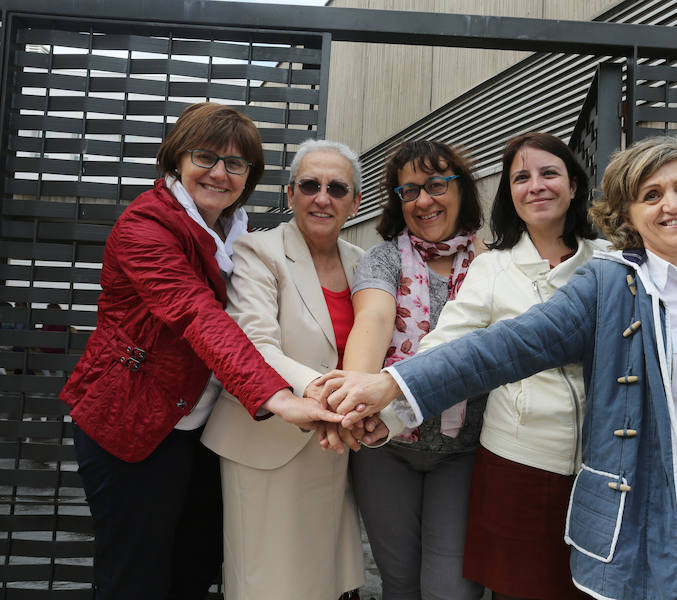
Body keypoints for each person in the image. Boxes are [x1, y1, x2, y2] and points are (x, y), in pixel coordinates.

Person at [319, 135, 677, 600]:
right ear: (628, 215)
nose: (672, 205)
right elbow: (501, 348)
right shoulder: (608, 284)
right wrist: (390, 385)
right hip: (662, 525)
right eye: (651, 195)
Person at [59, 102, 342, 600]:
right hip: (133, 422)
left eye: (236, 164)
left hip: (202, 428)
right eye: (205, 157)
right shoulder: (145, 227)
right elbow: (197, 316)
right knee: (135, 579)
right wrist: (277, 398)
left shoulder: (236, 237)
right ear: (176, 160)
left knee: (194, 569)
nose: (219, 173)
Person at [403, 132, 602, 599]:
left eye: (549, 173)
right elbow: (445, 346)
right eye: (521, 177)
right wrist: (390, 403)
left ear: (574, 185)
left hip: (600, 470)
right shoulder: (492, 268)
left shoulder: (612, 262)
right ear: (510, 195)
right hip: (518, 464)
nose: (536, 185)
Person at [201, 139, 383, 599]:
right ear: (290, 194)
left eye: (338, 188)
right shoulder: (256, 251)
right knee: (267, 583)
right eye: (310, 185)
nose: (323, 197)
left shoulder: (364, 265)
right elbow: (253, 345)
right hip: (265, 445)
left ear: (356, 202)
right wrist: (324, 392)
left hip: (333, 450)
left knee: (324, 580)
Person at [340, 139, 487, 599]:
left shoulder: (492, 265)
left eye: (436, 185)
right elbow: (374, 319)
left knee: (451, 589)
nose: (423, 200)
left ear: (461, 189)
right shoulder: (384, 258)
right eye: (409, 191)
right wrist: (357, 401)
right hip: (387, 446)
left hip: (463, 453)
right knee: (399, 585)